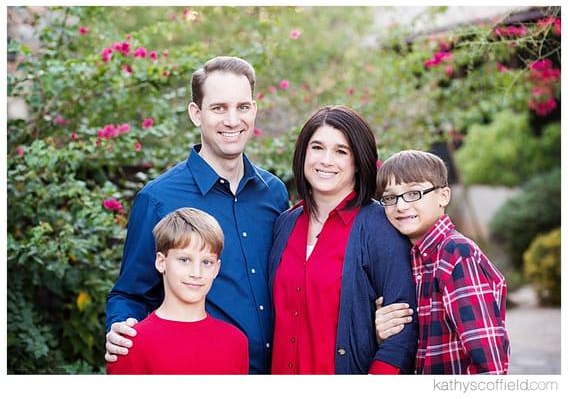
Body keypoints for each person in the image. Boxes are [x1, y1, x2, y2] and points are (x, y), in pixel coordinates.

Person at [105, 56, 289, 374]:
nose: (233, 120)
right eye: (219, 108)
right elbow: (130, 292)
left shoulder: (273, 193)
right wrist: (121, 326)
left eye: (242, 107)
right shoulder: (158, 199)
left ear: (254, 111)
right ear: (196, 114)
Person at [268, 105, 418, 374]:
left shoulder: (379, 228)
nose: (326, 160)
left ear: (358, 162)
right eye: (317, 147)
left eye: (340, 151)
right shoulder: (285, 224)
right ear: (303, 153)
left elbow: (401, 334)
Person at [375, 149, 510, 374]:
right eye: (390, 197)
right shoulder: (412, 257)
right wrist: (383, 330)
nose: (400, 206)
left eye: (413, 193)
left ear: (443, 196)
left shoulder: (455, 254)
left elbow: (489, 362)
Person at [107, 207, 248, 374]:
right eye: (184, 260)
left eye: (207, 262)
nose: (196, 273)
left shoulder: (236, 342)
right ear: (161, 262)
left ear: (217, 268)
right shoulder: (129, 344)